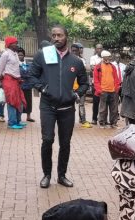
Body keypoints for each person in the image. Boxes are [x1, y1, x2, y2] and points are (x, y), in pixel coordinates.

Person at [30, 26, 89, 189]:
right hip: (48, 106)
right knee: (47, 140)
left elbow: (85, 83)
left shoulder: (76, 61)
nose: (56, 38)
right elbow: (32, 76)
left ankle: (62, 176)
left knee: (65, 143)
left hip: (67, 109)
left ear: (66, 37)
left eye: (60, 35)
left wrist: (76, 94)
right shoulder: (43, 55)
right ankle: (46, 175)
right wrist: (43, 88)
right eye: (54, 35)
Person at [0, 36, 27, 129]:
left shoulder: (15, 54)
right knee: (11, 101)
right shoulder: (5, 54)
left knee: (19, 100)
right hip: (9, 80)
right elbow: (0, 68)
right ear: (10, 44)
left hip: (16, 81)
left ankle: (18, 121)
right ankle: (11, 123)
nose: (17, 44)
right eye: (15, 43)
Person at [93, 50, 121, 129]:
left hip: (113, 91)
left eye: (109, 57)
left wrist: (117, 88)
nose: (109, 58)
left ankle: (113, 123)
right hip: (103, 91)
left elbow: (116, 78)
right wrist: (99, 90)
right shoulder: (98, 67)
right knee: (103, 109)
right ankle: (102, 123)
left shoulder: (112, 66)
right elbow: (96, 80)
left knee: (114, 109)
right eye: (108, 57)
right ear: (103, 57)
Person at [71, 43, 91, 129]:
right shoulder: (68, 60)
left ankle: (83, 120)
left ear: (79, 51)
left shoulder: (82, 60)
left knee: (81, 104)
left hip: (80, 87)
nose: (74, 52)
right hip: (70, 87)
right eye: (73, 51)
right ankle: (69, 121)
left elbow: (84, 73)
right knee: (70, 105)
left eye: (76, 50)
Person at [17, 48, 35, 123]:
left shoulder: (29, 63)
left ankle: (28, 116)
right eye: (18, 55)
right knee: (20, 101)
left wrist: (26, 75)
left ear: (24, 55)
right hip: (20, 85)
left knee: (28, 101)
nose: (20, 56)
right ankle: (19, 117)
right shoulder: (16, 64)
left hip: (28, 85)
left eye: (21, 55)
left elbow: (31, 73)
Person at [89, 44, 103, 125]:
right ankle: (94, 119)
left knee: (104, 103)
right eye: (98, 48)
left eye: (101, 48)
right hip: (96, 83)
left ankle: (102, 119)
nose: (99, 50)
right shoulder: (93, 58)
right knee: (96, 102)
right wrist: (101, 64)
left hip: (104, 83)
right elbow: (93, 68)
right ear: (95, 49)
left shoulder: (106, 57)